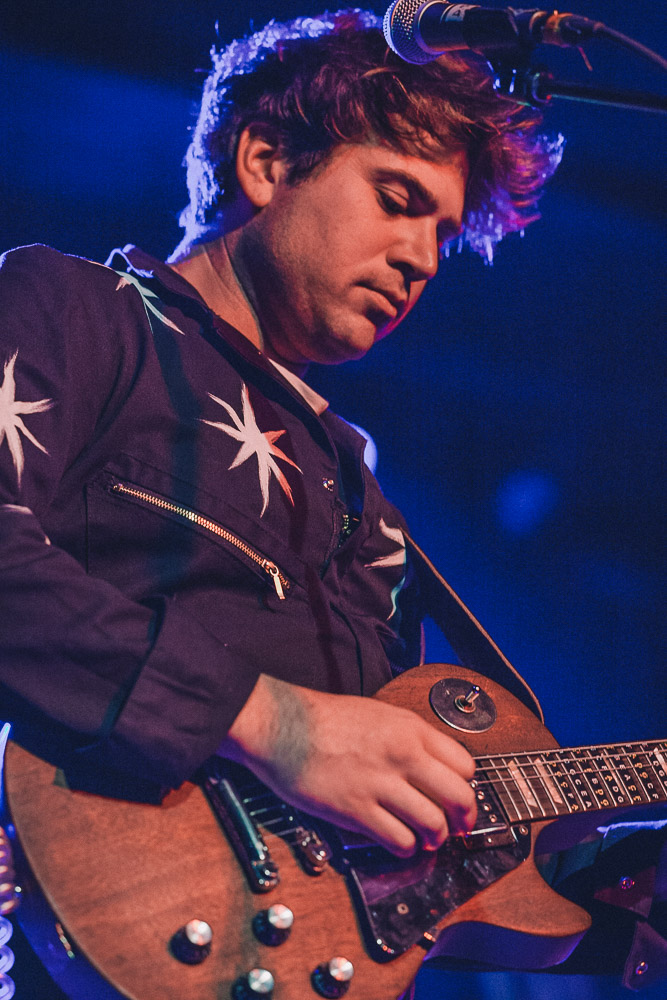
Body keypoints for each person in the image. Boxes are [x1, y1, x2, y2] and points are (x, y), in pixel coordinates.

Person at [0, 8, 663, 993]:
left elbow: (364, 840)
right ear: (265, 162)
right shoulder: (74, 311)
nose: (424, 257)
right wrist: (273, 723)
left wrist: (587, 888)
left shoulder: (363, 493)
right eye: (397, 197)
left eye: (441, 232)